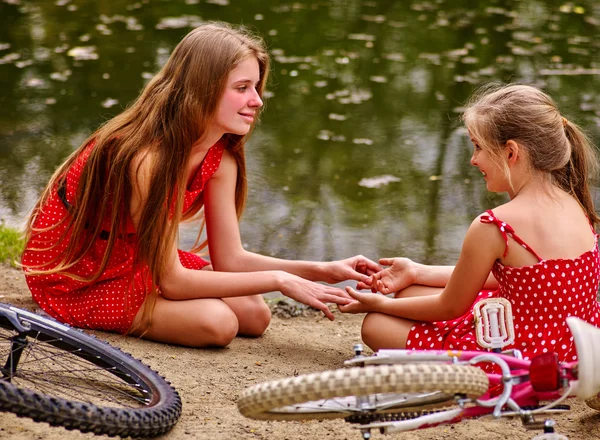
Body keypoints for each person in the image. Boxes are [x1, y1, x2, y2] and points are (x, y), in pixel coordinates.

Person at [21, 22, 380, 348]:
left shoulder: (218, 156)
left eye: (255, 87)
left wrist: (322, 270)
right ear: (202, 90)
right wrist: (279, 280)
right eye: (242, 88)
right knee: (218, 324)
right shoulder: (148, 159)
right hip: (79, 273)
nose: (256, 100)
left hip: (137, 256)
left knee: (255, 316)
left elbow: (230, 259)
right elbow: (174, 282)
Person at [339, 84, 600, 363]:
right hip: (576, 350)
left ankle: (469, 372)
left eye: (478, 147)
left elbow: (450, 306)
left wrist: (378, 303)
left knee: (375, 324)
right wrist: (416, 272)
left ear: (511, 152)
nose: (473, 160)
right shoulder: (574, 201)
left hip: (519, 360)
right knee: (410, 290)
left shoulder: (495, 225)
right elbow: (508, 276)